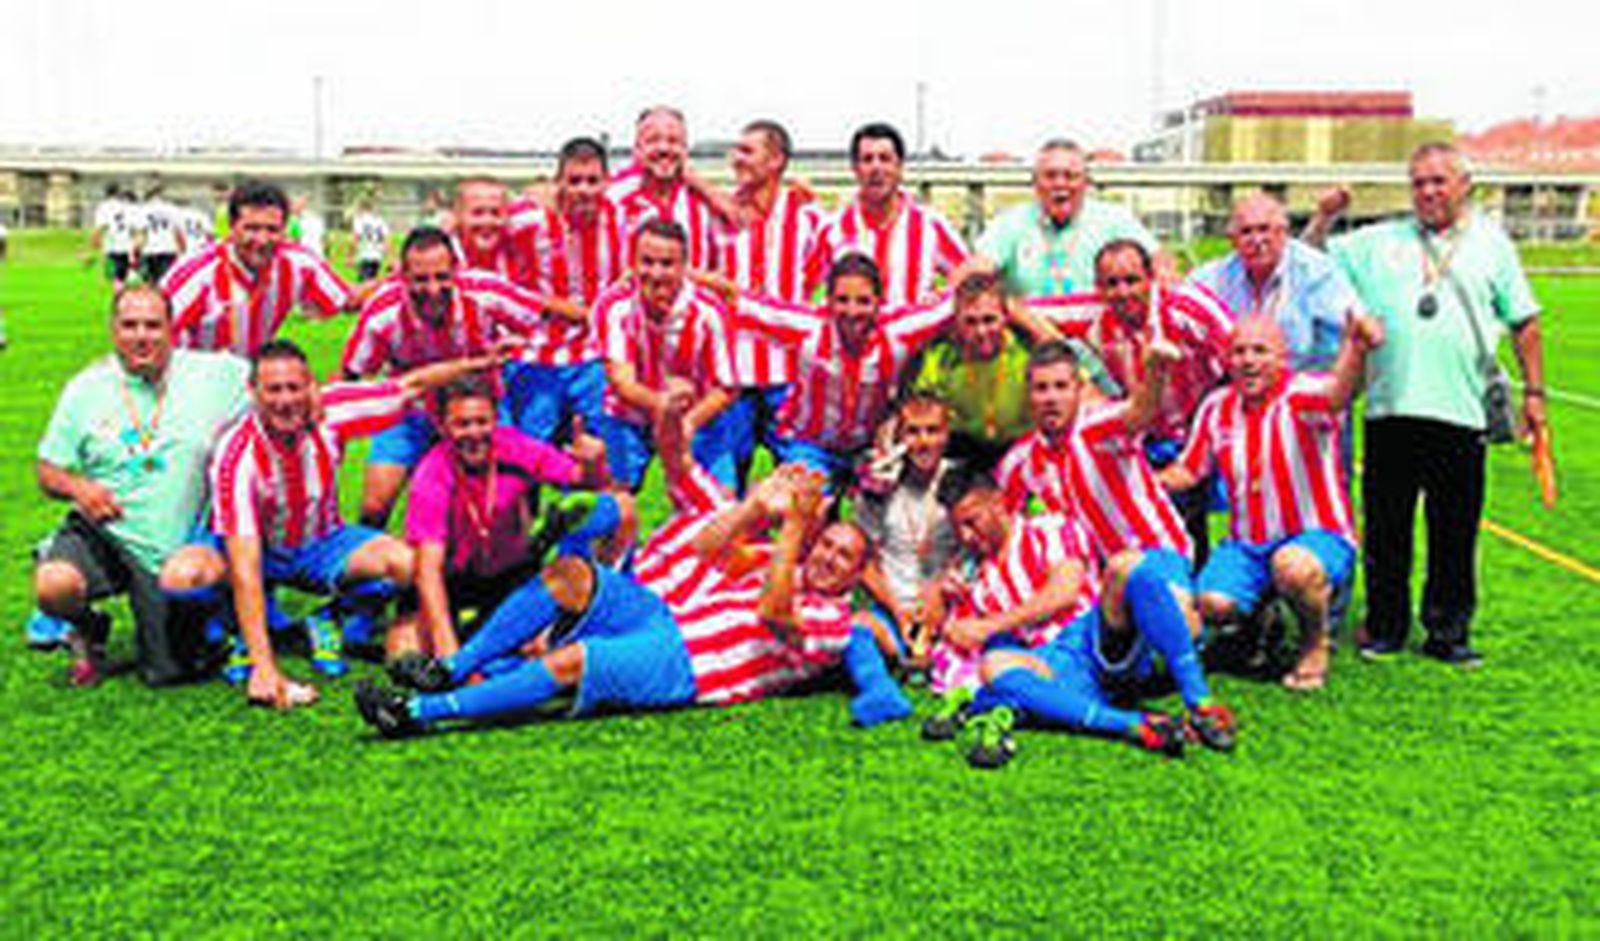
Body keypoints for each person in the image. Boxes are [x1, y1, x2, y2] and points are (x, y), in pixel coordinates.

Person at [354, 402, 872, 737]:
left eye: (842, 556)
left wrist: (794, 528)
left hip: (688, 664)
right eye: (827, 545)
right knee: (571, 572)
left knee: (573, 660)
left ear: (857, 578)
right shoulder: (769, 556)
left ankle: (420, 713)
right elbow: (709, 543)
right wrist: (759, 505)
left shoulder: (834, 623)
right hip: (660, 612)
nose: (827, 557)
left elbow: (774, 610)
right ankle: (452, 666)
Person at [159, 341, 497, 709]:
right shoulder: (238, 453)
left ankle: (332, 617)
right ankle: (229, 628)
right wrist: (265, 668)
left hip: (320, 543)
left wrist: (473, 363)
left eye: (295, 387)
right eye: (274, 389)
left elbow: (409, 387)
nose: (286, 400)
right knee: (182, 575)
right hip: (249, 548)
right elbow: (244, 566)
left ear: (312, 388)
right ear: (253, 393)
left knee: (408, 564)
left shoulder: (332, 412)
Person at [1315, 142, 1548, 666]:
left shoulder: (1493, 245)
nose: (1427, 191)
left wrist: (1534, 394)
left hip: (1460, 412)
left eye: (1439, 181)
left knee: (1454, 530)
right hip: (1389, 408)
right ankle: (1386, 627)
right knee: (1386, 529)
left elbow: (1525, 321)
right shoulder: (1378, 240)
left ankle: (1448, 631)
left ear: (1466, 185)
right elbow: (1311, 256)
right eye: (1418, 182)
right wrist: (1327, 214)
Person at [971, 340, 1236, 767]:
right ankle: (1130, 721)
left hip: (1155, 556)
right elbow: (996, 516)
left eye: (1061, 386)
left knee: (1137, 575)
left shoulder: (1100, 427)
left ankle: (1201, 703)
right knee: (995, 667)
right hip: (1094, 606)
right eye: (1041, 388)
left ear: (1079, 389)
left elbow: (1138, 413)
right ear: (1029, 395)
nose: (1051, 397)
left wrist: (1154, 371)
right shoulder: (1020, 463)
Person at [30, 285, 250, 685]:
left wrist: (314, 398)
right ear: (114, 330)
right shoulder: (85, 389)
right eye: (130, 325)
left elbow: (277, 382)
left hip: (174, 548)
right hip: (106, 532)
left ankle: (211, 614)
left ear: (173, 330)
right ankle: (87, 626)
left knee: (168, 674)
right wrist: (80, 489)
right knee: (53, 584)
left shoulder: (216, 373)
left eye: (153, 325)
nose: (141, 336)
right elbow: (46, 470)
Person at [1158, 313, 1383, 691]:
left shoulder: (1301, 395)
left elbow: (1339, 393)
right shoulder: (1216, 407)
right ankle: (1262, 624)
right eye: (1239, 352)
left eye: (1260, 351)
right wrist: (1139, 484)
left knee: (1293, 568)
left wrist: (1356, 350)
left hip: (1316, 536)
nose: (1248, 361)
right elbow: (1189, 470)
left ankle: (1315, 645)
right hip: (1247, 545)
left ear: (1283, 358)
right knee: (1212, 603)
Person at [341, 226, 575, 529]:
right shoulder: (383, 314)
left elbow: (541, 310)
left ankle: (520, 562)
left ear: (456, 271)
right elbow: (350, 374)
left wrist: (596, 316)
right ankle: (369, 566)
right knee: (375, 505)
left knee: (511, 494)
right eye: (420, 280)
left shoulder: (484, 292)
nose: (433, 289)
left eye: (442, 277)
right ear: (401, 277)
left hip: (480, 408)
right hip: (411, 411)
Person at [1035, 239, 1232, 563]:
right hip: (1146, 431)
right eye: (1112, 284)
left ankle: (1229, 595)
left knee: (1207, 509)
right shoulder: (1094, 314)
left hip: (1201, 423)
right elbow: (1022, 309)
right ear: (1098, 287)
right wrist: (1073, 368)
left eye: (1132, 280)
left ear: (1151, 278)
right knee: (1154, 512)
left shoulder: (1186, 308)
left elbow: (1237, 349)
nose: (1123, 292)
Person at [397, 377, 615, 664]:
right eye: (462, 424)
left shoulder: (514, 446)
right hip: (452, 580)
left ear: (495, 420)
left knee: (538, 648)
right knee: (405, 651)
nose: (474, 433)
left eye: (482, 421)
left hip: (508, 575)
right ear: (443, 426)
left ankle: (492, 629)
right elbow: (428, 570)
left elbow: (585, 483)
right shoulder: (432, 473)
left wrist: (592, 464)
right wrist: (448, 652)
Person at [730, 253, 959, 490]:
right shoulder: (806, 327)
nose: (852, 311)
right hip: (810, 442)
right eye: (842, 300)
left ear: (879, 302)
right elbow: (736, 299)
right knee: (810, 503)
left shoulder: (899, 331)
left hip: (868, 445)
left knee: (886, 491)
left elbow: (957, 303)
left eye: (863, 301)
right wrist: (690, 276)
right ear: (827, 301)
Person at [592, 219, 742, 490]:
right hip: (631, 413)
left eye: (667, 264)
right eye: (647, 262)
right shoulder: (613, 305)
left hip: (697, 414)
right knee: (613, 502)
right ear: (633, 263)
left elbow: (728, 387)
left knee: (723, 506)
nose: (656, 273)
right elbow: (621, 381)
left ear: (685, 267)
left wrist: (687, 422)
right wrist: (664, 406)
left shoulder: (709, 311)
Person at [910, 270, 1111, 471]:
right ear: (956, 322)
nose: (981, 331)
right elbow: (918, 412)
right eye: (971, 322)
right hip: (967, 448)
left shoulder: (1029, 350)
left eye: (989, 320)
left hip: (1023, 447)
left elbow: (1083, 393)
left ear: (1006, 317)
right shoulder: (941, 357)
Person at [919, 479, 1098, 698]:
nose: (965, 536)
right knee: (992, 678)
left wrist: (990, 626)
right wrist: (941, 605)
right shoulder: (976, 573)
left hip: (1080, 643)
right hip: (1031, 659)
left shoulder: (1049, 529)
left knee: (997, 678)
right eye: (957, 528)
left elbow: (1064, 592)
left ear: (998, 502)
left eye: (971, 522)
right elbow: (949, 638)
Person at [501, 137, 625, 443]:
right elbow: (477, 223)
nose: (584, 189)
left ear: (607, 183)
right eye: (575, 180)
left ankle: (606, 491)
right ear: (559, 183)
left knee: (605, 449)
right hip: (537, 353)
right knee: (529, 453)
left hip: (596, 356)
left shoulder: (625, 221)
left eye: (592, 181)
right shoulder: (528, 221)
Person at [852, 392, 964, 716]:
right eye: (913, 432)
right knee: (857, 625)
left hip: (947, 606)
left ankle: (931, 661)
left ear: (947, 434)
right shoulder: (880, 484)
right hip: (893, 603)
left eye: (933, 430)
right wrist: (899, 612)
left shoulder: (961, 480)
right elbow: (864, 563)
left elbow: (973, 551)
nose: (924, 442)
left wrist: (939, 595)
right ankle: (880, 690)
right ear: (898, 438)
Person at [162, 180, 357, 355]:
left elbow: (347, 300)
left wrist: (387, 283)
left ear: (285, 228)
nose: (262, 240)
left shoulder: (298, 263)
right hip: (192, 378)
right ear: (232, 227)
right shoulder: (196, 274)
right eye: (252, 228)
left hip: (253, 377)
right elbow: (150, 333)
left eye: (272, 230)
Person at [1189, 193, 1362, 373]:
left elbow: (1354, 329)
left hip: (1302, 383)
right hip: (1230, 384)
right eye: (1246, 232)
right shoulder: (1211, 278)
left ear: (1283, 233)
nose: (1257, 240)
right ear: (1232, 240)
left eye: (1264, 229)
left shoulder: (1317, 272)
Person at [804, 122, 969, 308]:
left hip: (912, 334)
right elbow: (802, 287)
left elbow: (970, 276)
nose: (876, 168)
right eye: (867, 159)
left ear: (899, 167)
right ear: (855, 169)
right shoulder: (832, 229)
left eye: (885, 159)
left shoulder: (930, 225)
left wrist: (940, 300)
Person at [973, 139, 1162, 298]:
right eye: (1050, 176)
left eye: (1071, 176)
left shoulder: (1115, 218)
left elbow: (1160, 265)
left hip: (1101, 334)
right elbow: (974, 276)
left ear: (1086, 182)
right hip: (1029, 332)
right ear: (1035, 182)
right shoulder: (1010, 222)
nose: (1060, 184)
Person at [609, 106, 723, 272]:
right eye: (652, 141)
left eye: (673, 141)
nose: (663, 149)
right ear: (637, 150)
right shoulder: (613, 200)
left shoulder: (706, 203)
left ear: (685, 149)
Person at [90, 186, 139, 291]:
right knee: (124, 276)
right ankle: (124, 298)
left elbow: (100, 227)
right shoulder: (127, 207)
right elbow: (135, 229)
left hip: (111, 248)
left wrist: (95, 241)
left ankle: (119, 298)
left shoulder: (103, 207)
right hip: (127, 247)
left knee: (114, 278)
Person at [134, 186, 186, 284]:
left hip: (149, 250)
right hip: (168, 249)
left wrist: (136, 252)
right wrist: (183, 250)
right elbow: (178, 233)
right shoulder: (172, 209)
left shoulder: (144, 210)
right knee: (166, 283)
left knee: (150, 283)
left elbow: (141, 235)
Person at [348, 198, 391, 282]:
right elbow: (386, 241)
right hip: (377, 257)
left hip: (365, 256)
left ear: (361, 208)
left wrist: (350, 256)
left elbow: (355, 239)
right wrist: (390, 259)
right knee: (371, 283)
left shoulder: (360, 220)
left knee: (364, 286)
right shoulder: (380, 221)